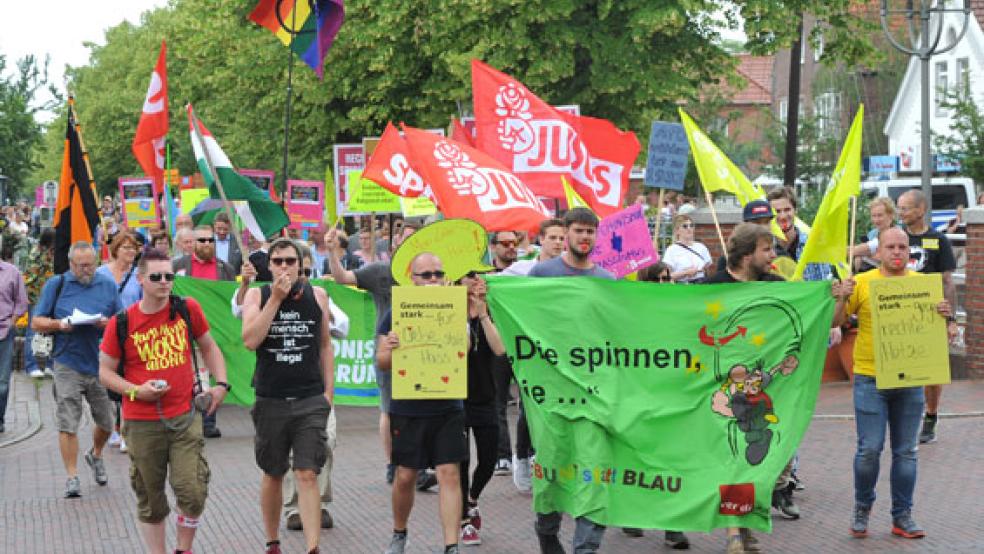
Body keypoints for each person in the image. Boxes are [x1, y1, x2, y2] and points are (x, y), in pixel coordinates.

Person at [98, 247, 229, 554]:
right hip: (141, 422)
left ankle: (184, 549)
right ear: (141, 279)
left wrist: (220, 384)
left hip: (184, 415)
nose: (164, 282)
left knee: (192, 490)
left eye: (169, 276)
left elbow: (209, 347)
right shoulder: (123, 322)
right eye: (156, 277)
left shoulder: (187, 308)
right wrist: (135, 390)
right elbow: (104, 372)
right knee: (150, 496)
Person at [835, 227, 956, 540]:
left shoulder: (923, 285)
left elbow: (936, 325)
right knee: (869, 450)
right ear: (879, 252)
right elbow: (837, 324)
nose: (897, 252)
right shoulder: (861, 283)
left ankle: (902, 515)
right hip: (870, 377)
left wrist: (945, 314)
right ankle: (862, 506)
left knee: (906, 451)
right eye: (891, 247)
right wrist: (841, 298)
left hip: (911, 378)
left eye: (903, 247)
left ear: (910, 252)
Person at [242, 238, 335, 554]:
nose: (284, 267)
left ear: (300, 264)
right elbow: (250, 340)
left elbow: (325, 344)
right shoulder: (257, 295)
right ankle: (272, 542)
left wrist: (328, 393)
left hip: (310, 398)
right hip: (271, 398)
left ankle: (312, 547)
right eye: (278, 261)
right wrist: (275, 300)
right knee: (273, 472)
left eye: (290, 261)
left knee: (307, 472)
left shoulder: (318, 296)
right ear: (269, 266)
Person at [325, 220, 434, 488]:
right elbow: (343, 278)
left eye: (415, 240)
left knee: (422, 409)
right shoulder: (381, 271)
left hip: (426, 351)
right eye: (405, 238)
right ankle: (392, 464)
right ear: (395, 242)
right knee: (388, 408)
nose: (409, 244)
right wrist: (331, 252)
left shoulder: (434, 274)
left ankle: (417, 464)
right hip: (390, 349)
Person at [529, 208, 613, 554]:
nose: (585, 237)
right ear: (565, 233)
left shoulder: (607, 281)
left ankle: (585, 548)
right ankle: (547, 532)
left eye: (591, 232)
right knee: (552, 471)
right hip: (551, 394)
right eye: (579, 230)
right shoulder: (542, 274)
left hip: (595, 394)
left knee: (596, 473)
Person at [376, 252, 468, 554]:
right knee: (405, 476)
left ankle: (451, 545)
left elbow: (465, 348)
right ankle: (399, 532)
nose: (432, 280)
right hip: (409, 407)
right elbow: (382, 361)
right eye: (425, 275)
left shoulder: (455, 308)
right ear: (411, 278)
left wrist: (461, 318)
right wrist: (389, 347)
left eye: (437, 274)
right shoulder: (395, 312)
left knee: (449, 473)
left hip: (447, 405)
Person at [32, 242, 122, 498]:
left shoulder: (106, 285)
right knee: (68, 422)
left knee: (107, 420)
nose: (87, 270)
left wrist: (108, 324)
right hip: (67, 363)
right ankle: (72, 477)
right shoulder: (57, 285)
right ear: (71, 264)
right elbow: (36, 322)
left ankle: (95, 454)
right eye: (82, 266)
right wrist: (59, 324)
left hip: (101, 363)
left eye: (91, 264)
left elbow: (121, 320)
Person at [279, 242, 342, 533]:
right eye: (287, 264)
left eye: (301, 268)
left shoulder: (319, 296)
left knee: (325, 443)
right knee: (292, 451)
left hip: (317, 388)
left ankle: (322, 503)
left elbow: (342, 327)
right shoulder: (269, 296)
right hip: (283, 390)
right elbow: (241, 313)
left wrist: (320, 315)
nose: (294, 272)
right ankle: (293, 508)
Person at [895, 190, 958, 444]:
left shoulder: (938, 240)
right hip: (900, 314)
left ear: (921, 210)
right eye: (899, 208)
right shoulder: (896, 238)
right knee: (901, 369)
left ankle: (930, 416)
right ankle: (907, 417)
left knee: (932, 373)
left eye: (906, 208)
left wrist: (951, 320)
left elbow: (948, 282)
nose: (901, 213)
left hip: (931, 315)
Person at [456, 270, 506, 546]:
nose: (475, 280)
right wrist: (462, 315)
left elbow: (499, 350)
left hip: (485, 397)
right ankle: (463, 520)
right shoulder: (449, 312)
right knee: (461, 461)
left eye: (478, 276)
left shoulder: (490, 311)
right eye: (468, 276)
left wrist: (483, 313)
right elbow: (460, 349)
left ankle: (472, 498)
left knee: (488, 459)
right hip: (457, 399)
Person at [174, 224, 235, 437]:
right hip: (187, 330)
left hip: (215, 331)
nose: (207, 244)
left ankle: (209, 421)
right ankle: (192, 419)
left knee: (214, 375)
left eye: (211, 240)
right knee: (194, 375)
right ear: (192, 243)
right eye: (202, 240)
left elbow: (232, 298)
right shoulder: (178, 267)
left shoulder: (225, 268)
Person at [96, 231, 144, 452]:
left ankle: (126, 430)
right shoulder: (101, 274)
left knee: (127, 381)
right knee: (107, 385)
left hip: (131, 334)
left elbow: (144, 302)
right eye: (126, 248)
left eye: (134, 248)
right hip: (103, 334)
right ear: (115, 250)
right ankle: (111, 427)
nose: (131, 252)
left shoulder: (139, 275)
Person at [767, 188, 831, 281]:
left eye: (787, 210)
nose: (783, 216)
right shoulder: (765, 248)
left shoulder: (813, 245)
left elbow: (824, 282)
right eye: (777, 211)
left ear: (795, 211)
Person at [23, 228, 56, 378]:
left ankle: (50, 365)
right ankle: (31, 366)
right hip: (36, 297)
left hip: (52, 297)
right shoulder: (36, 253)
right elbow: (30, 275)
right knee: (33, 331)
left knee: (51, 331)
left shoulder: (54, 253)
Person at [0, 255, 27, 433]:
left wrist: (13, 320)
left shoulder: (11, 272)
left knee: (2, 381)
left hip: (4, 331)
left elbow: (21, 301)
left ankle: (0, 417)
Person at [850, 197, 897, 272]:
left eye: (880, 215)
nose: (876, 220)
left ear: (890, 215)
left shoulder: (897, 234)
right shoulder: (872, 233)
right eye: (873, 216)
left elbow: (856, 251)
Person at [662, 214, 713, 283]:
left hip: (701, 286)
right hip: (682, 287)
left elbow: (707, 271)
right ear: (677, 231)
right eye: (685, 226)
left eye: (691, 225)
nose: (689, 228)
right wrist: (685, 273)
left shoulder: (701, 247)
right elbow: (667, 276)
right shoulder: (671, 250)